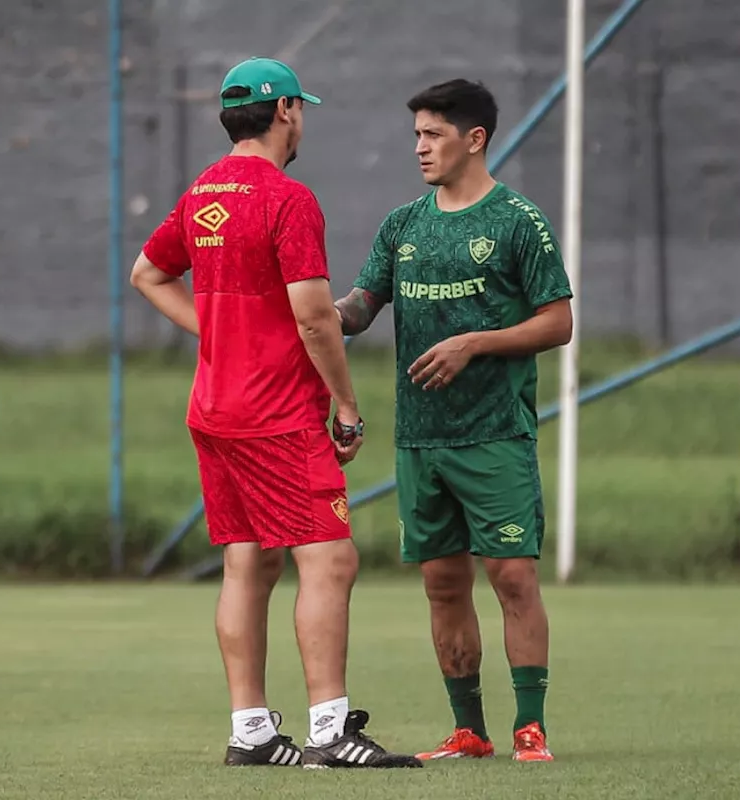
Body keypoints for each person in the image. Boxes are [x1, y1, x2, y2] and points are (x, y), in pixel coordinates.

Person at [130, 57, 420, 770]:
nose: (304, 118)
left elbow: (148, 273)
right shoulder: (287, 198)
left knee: (248, 564)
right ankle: (329, 732)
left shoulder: (203, 192)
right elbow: (317, 316)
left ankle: (252, 733)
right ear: (285, 110)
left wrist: (219, 336)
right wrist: (346, 404)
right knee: (330, 559)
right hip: (276, 412)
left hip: (215, 409)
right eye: (302, 107)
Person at [335, 78, 574, 763]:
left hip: (494, 433)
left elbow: (557, 321)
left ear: (475, 140)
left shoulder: (517, 222)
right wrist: (320, 309)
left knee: (512, 578)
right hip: (420, 441)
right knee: (442, 584)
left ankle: (531, 725)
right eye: (416, 135)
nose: (420, 147)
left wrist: (475, 343)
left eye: (433, 134)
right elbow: (360, 306)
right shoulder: (402, 224)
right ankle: (469, 728)